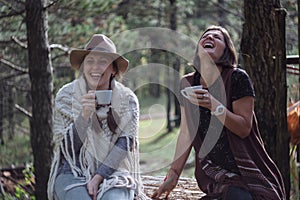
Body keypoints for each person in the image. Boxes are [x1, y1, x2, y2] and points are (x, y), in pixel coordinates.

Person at [152, 25, 286, 200]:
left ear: (226, 50)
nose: (209, 38)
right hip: (216, 174)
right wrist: (173, 175)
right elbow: (186, 133)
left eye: (217, 37)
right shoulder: (188, 83)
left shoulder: (238, 78)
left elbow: (244, 128)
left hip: (246, 170)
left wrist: (214, 105)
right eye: (205, 36)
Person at [47, 34, 148, 200]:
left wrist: (99, 176)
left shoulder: (127, 99)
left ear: (113, 69)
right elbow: (67, 149)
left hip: (115, 174)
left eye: (102, 61)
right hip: (72, 171)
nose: (95, 67)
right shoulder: (66, 96)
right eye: (90, 61)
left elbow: (125, 144)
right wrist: (84, 116)